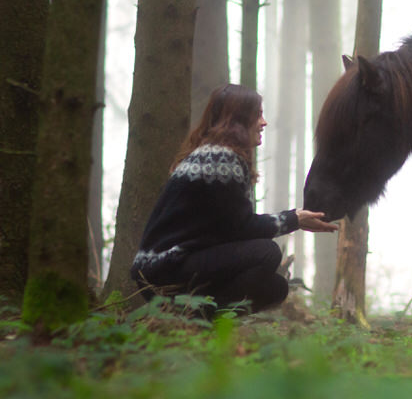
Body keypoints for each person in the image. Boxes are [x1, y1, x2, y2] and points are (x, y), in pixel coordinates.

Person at [131, 84, 339, 316]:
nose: (264, 122)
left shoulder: (212, 155)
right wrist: (294, 219)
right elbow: (242, 228)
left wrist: (294, 219)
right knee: (267, 252)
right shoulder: (221, 160)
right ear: (239, 120)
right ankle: (195, 319)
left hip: (165, 268)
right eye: (257, 115)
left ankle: (200, 316)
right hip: (165, 270)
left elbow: (227, 230)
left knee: (275, 287)